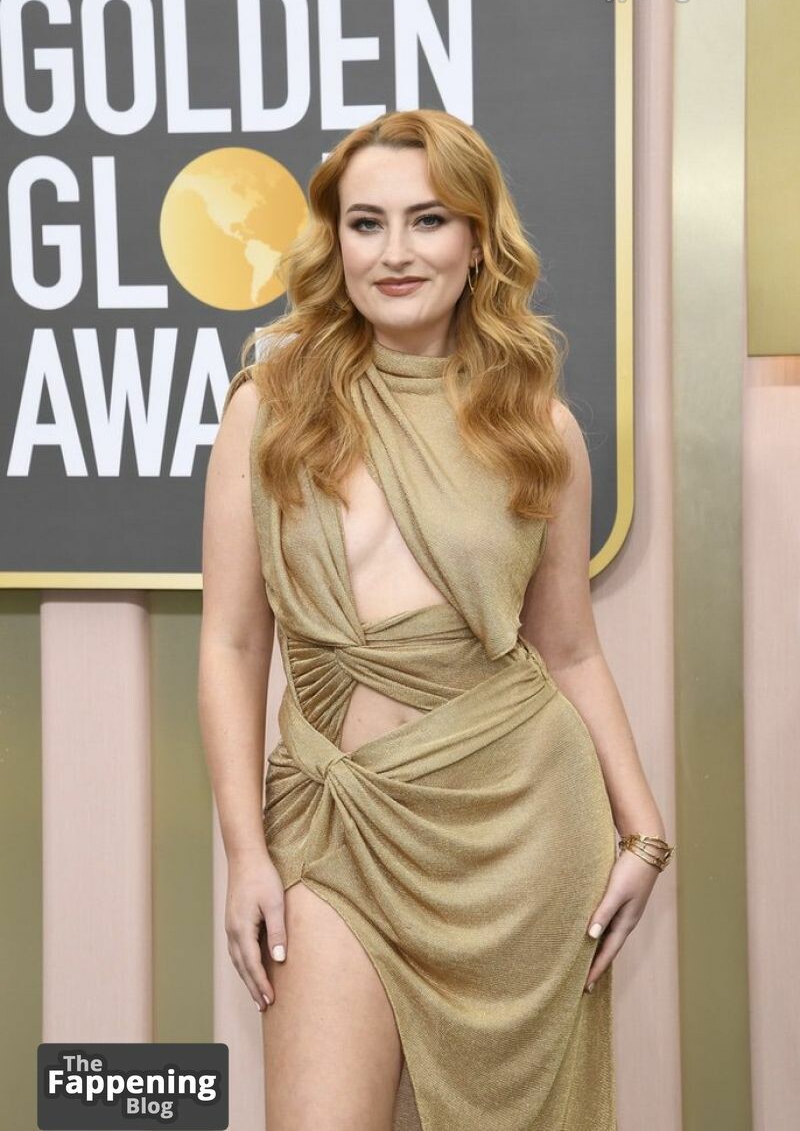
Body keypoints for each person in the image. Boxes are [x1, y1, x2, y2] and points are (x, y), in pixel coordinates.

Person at [199, 108, 674, 1131]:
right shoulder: (268, 404)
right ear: (335, 241)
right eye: (366, 223)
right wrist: (244, 851)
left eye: (428, 220)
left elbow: (568, 649)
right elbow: (232, 644)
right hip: (333, 823)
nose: (396, 252)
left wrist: (643, 829)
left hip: (512, 829)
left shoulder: (536, 429)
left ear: (476, 240)